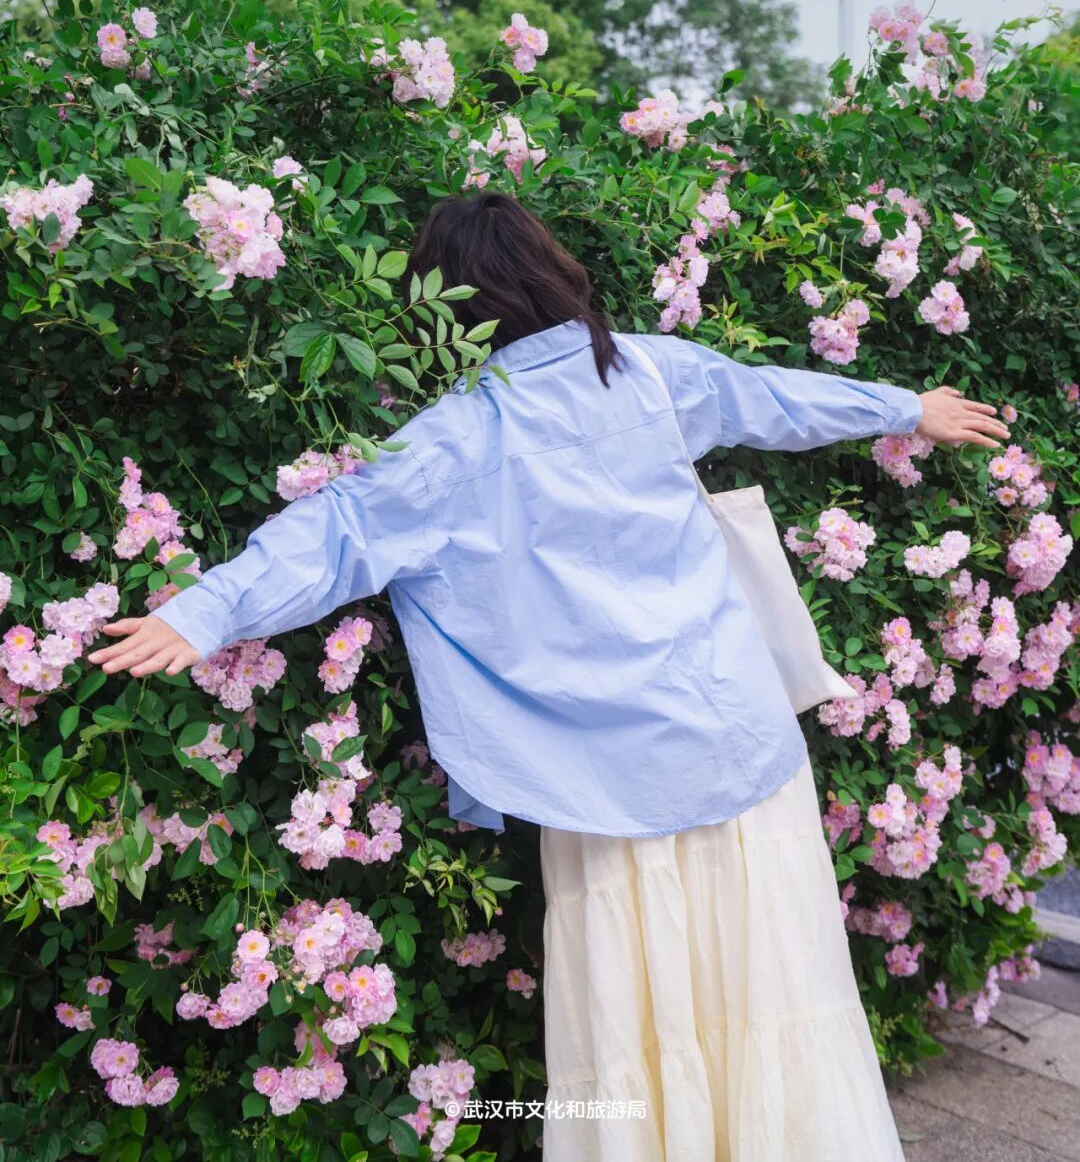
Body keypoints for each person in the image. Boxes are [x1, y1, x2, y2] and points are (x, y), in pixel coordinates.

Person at [89, 190, 1009, 1161]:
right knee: (779, 996)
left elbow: (337, 529)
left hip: (601, 784)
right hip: (739, 748)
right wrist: (909, 409)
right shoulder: (650, 373)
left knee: (641, 1030)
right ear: (554, 273)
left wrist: (200, 612)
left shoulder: (457, 437)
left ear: (446, 307)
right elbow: (774, 399)